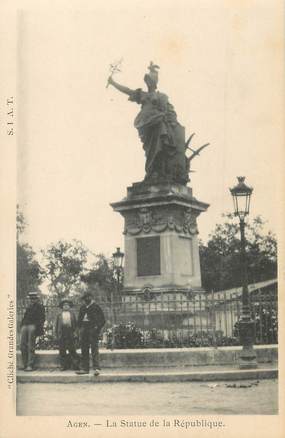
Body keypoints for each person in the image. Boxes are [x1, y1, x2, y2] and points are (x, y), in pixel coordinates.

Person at [108, 62, 188, 184]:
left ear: (154, 82)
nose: (148, 82)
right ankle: (151, 174)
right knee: (150, 151)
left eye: (150, 80)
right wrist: (113, 83)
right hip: (147, 127)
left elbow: (171, 112)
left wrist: (170, 122)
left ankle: (159, 174)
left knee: (160, 148)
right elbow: (127, 90)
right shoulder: (143, 95)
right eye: (147, 80)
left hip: (160, 127)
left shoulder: (162, 96)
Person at [76, 292, 105, 376]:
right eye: (84, 299)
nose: (86, 300)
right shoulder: (82, 307)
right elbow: (79, 320)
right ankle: (85, 369)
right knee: (84, 349)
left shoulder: (96, 307)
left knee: (94, 349)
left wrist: (97, 328)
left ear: (91, 298)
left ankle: (96, 368)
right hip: (84, 329)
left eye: (87, 298)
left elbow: (102, 320)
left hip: (93, 329)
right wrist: (78, 329)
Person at [20, 291, 45, 371]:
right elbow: (24, 317)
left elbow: (42, 319)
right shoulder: (29, 307)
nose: (32, 300)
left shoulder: (40, 307)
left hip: (33, 326)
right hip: (25, 325)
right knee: (22, 345)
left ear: (37, 299)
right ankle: (25, 364)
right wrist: (22, 325)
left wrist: (37, 327)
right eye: (31, 299)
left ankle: (30, 365)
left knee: (31, 345)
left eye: (34, 299)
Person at [55, 299, 79, 371]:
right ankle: (63, 366)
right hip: (62, 332)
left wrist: (75, 333)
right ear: (62, 307)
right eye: (64, 305)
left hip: (70, 332)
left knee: (72, 349)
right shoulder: (59, 315)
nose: (66, 306)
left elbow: (75, 324)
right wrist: (56, 335)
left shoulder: (72, 314)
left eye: (67, 305)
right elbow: (56, 325)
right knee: (62, 350)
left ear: (69, 306)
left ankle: (75, 365)